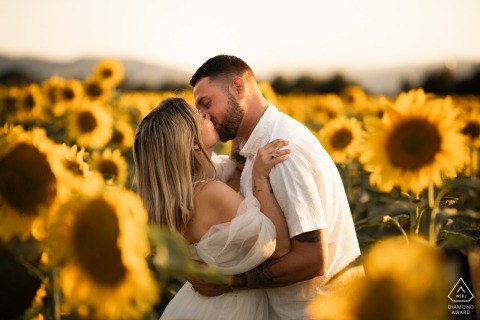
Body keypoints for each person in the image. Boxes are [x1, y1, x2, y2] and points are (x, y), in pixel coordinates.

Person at [189, 55, 362, 319]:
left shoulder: (282, 153)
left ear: (238, 88)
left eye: (207, 103)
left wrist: (227, 281)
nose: (203, 116)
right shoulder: (257, 145)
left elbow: (312, 260)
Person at [132, 97, 293, 320]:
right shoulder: (210, 193)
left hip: (195, 306)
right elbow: (279, 246)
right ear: (193, 143)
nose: (206, 114)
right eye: (200, 116)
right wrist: (259, 179)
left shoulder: (174, 195)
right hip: (228, 310)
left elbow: (231, 169)